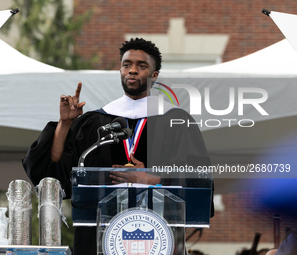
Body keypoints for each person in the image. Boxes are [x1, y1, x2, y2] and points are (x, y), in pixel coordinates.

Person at [23, 38, 213, 254]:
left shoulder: (176, 122)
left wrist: (153, 178)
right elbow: (53, 173)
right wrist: (65, 123)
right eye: (126, 64)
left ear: (154, 75)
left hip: (157, 238)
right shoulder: (93, 122)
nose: (132, 70)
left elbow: (199, 179)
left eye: (141, 66)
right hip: (96, 240)